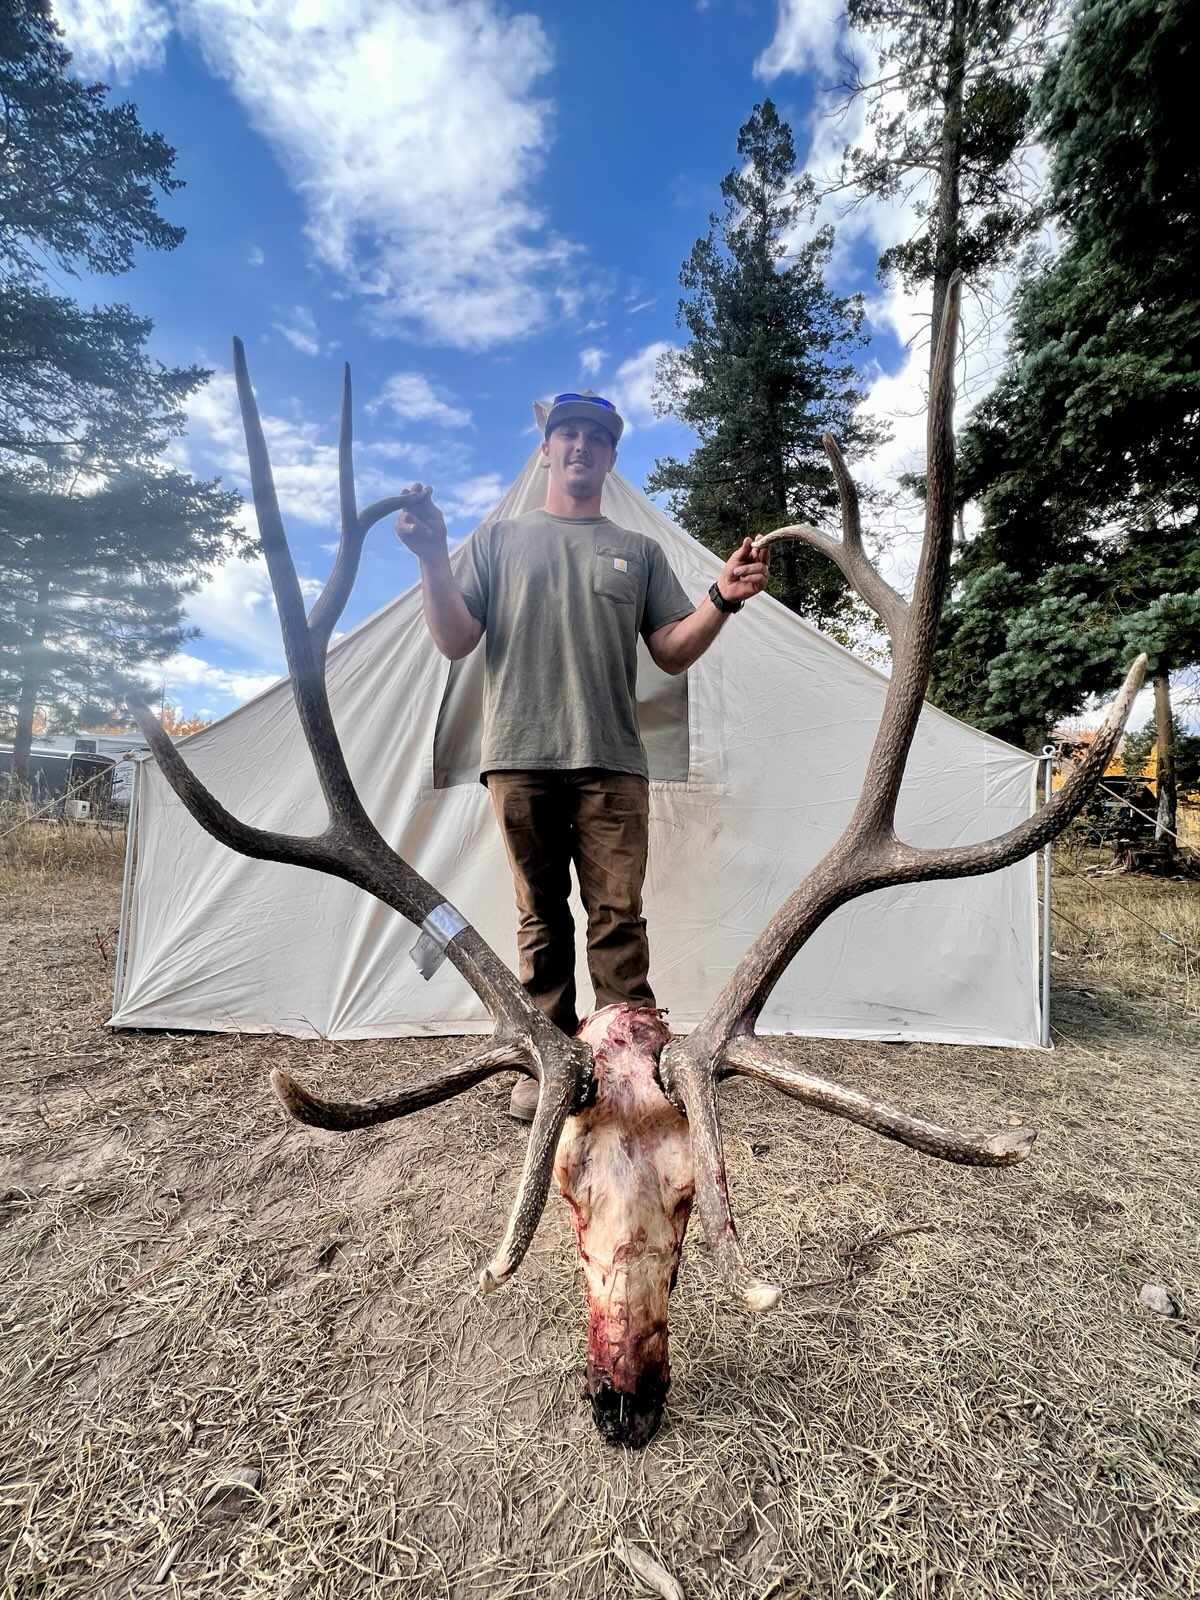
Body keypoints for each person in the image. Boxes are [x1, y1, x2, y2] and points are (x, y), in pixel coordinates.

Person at [395, 390, 768, 1119]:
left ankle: (632, 1065)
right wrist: (434, 558)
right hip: (518, 756)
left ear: (610, 457)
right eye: (568, 434)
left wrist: (721, 598)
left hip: (613, 762)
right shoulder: (499, 541)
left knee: (617, 918)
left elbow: (671, 652)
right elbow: (454, 639)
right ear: (546, 450)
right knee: (540, 919)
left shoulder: (639, 552)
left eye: (596, 438)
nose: (580, 446)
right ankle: (550, 1065)